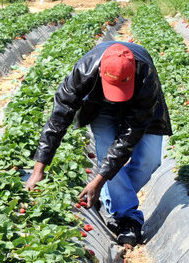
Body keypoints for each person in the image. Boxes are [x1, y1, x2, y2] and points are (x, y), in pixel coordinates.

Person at [27, 41, 171, 246]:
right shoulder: (84, 72)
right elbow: (58, 120)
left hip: (140, 105)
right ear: (102, 74)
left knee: (150, 160)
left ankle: (107, 196)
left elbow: (129, 136)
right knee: (107, 152)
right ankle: (127, 218)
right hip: (101, 105)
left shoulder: (146, 76)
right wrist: (38, 169)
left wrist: (99, 181)